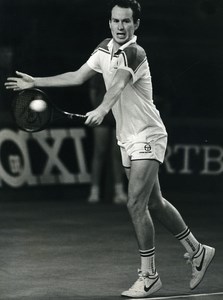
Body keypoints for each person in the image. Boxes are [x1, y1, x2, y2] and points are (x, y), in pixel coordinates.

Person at [5, 0, 215, 297]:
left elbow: (117, 84)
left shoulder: (135, 52)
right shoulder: (104, 48)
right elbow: (78, 76)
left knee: (135, 204)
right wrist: (35, 81)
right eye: (116, 21)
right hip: (126, 138)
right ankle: (197, 250)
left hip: (148, 134)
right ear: (109, 23)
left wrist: (103, 108)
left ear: (136, 25)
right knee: (154, 202)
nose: (120, 26)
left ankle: (149, 275)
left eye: (126, 21)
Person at [88, 73, 127, 204]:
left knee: (117, 154)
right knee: (99, 152)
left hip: (119, 115)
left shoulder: (124, 69)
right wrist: (98, 111)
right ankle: (94, 191)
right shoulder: (99, 72)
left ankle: (119, 192)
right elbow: (93, 93)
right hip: (102, 117)